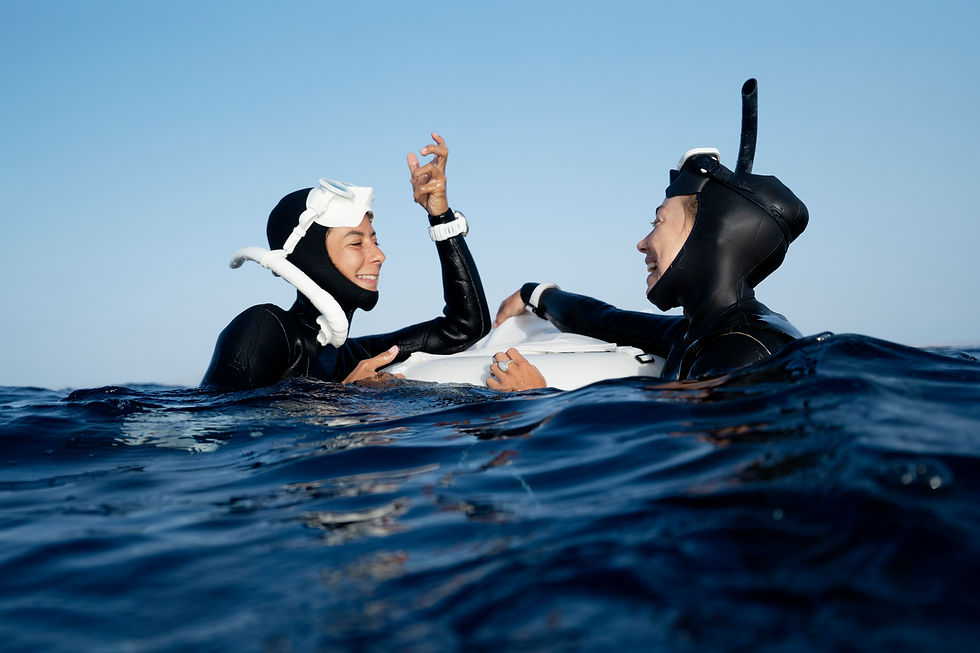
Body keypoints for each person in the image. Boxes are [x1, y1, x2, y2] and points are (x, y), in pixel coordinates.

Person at [487, 82, 808, 391]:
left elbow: (688, 443)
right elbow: (605, 321)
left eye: (658, 221)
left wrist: (536, 398)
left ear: (710, 236)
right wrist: (535, 294)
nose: (642, 243)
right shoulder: (704, 331)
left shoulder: (741, 353)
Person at [202, 133, 491, 390]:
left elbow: (466, 326)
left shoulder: (351, 356)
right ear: (309, 258)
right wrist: (344, 396)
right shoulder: (265, 326)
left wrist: (439, 216)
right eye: (356, 243)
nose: (379, 255)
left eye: (375, 241)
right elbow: (220, 428)